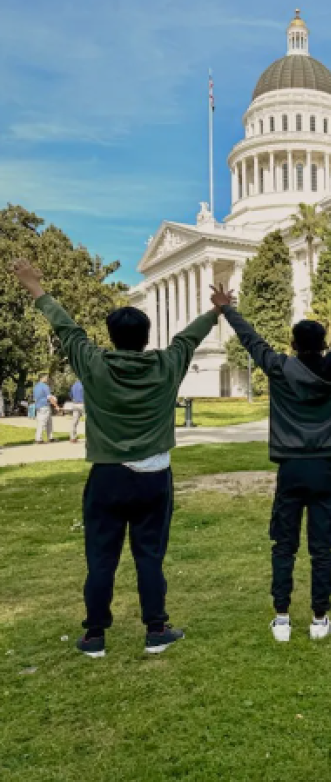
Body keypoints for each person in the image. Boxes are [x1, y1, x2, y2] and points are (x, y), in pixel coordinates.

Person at [12, 259, 222, 659]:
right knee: (150, 557)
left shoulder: (94, 364)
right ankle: (155, 629)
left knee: (101, 559)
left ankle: (94, 636)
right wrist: (217, 309)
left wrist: (35, 287)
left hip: (107, 476)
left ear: (110, 336)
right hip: (154, 477)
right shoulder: (166, 364)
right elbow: (188, 338)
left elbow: (66, 328)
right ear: (146, 337)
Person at [212, 281, 331, 643]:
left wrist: (227, 309)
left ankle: (282, 618)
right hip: (325, 466)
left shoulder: (281, 369)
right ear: (325, 343)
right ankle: (319, 618)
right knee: (322, 545)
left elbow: (252, 341)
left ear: (294, 345)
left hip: (291, 466)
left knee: (284, 543)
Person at [33, 374, 58, 444]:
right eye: (46, 378)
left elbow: (35, 398)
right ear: (41, 378)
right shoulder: (45, 387)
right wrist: (56, 405)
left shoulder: (36, 387)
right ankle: (38, 439)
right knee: (42, 423)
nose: (47, 379)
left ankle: (51, 437)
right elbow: (49, 397)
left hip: (38, 406)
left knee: (49, 422)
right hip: (44, 406)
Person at [70, 378, 85, 443]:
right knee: (88, 421)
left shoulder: (73, 385)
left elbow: (70, 395)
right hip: (82, 404)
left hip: (75, 404)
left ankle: (73, 437)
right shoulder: (83, 385)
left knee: (74, 422)